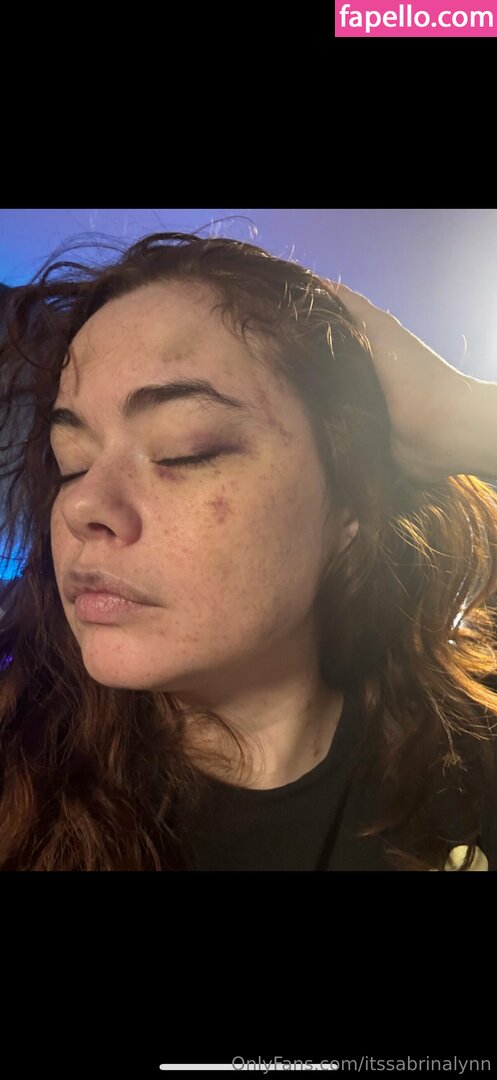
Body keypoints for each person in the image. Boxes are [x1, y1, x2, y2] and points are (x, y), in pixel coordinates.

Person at [0, 229, 496, 872]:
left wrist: (473, 419)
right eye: (71, 463)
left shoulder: (471, 749)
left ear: (350, 504)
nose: (80, 505)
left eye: (185, 450)